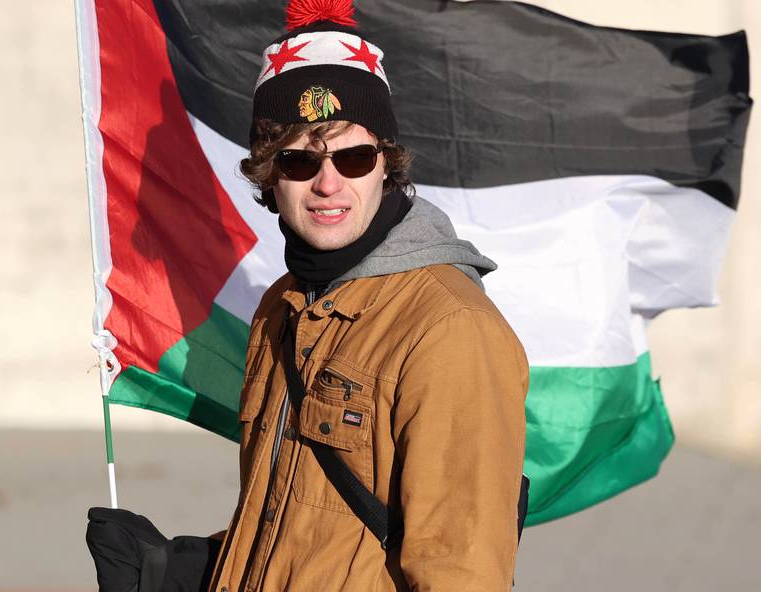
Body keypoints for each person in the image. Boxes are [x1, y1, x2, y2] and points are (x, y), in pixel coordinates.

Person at [86, 1, 528, 590]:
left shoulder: (448, 329)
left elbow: (459, 571)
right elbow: (296, 531)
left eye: (353, 156)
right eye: (298, 160)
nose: (327, 182)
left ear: (386, 166)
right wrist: (174, 571)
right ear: (271, 175)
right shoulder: (282, 307)